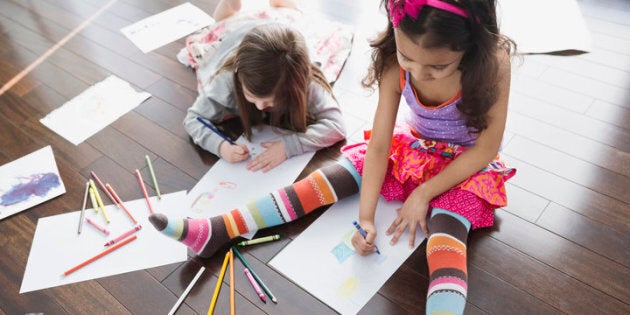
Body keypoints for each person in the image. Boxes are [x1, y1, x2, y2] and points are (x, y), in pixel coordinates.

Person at [151, 0, 516, 314]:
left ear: (472, 47)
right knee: (324, 181)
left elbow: (486, 148)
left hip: (466, 166)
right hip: (413, 149)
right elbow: (379, 145)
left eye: (437, 68)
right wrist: (365, 218)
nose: (417, 73)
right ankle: (218, 229)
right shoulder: (395, 63)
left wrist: (423, 194)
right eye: (408, 58)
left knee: (447, 237)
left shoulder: (495, 63)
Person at [182, 0, 345, 172]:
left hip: (281, 35)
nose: (260, 106)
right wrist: (221, 146)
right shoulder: (227, 79)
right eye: (251, 96)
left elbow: (337, 126)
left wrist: (289, 146)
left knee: (289, 15)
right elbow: (193, 119)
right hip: (237, 35)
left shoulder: (304, 81)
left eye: (270, 102)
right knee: (223, 21)